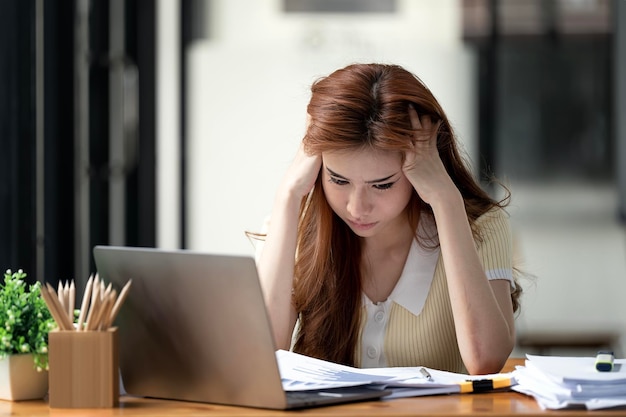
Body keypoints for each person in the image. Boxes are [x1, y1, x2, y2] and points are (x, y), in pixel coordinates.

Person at [254, 63, 521, 375]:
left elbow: (485, 361)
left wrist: (446, 201)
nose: (357, 207)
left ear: (422, 168)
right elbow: (264, 357)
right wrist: (288, 196)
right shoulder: (290, 231)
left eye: (382, 185)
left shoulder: (481, 228)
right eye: (339, 180)